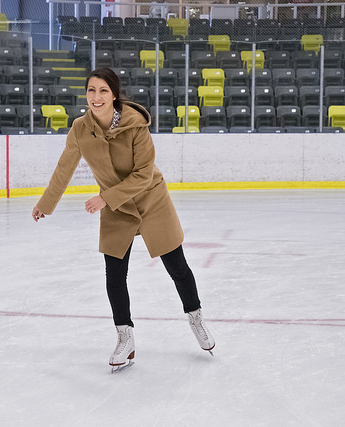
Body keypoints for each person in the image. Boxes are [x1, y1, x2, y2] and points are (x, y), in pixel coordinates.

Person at [32, 67, 214, 371]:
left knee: (178, 268)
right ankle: (125, 338)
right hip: (118, 208)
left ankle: (195, 317)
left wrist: (106, 197)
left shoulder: (135, 124)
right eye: (91, 90)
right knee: (114, 275)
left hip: (151, 200)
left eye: (103, 90)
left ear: (114, 95)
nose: (96, 97)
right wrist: (45, 203)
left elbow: (144, 173)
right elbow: (64, 167)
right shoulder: (80, 128)